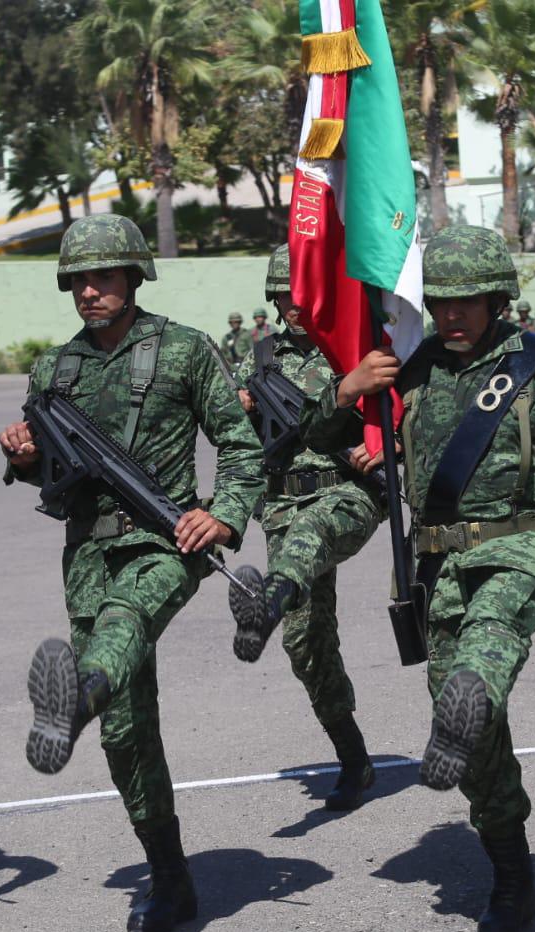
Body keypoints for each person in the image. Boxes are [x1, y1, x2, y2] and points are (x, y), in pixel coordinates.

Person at [304, 225, 535, 932]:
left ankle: (466, 704)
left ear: (497, 298)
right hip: (433, 567)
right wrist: (345, 391)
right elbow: (324, 440)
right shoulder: (409, 368)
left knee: (487, 645)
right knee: (476, 734)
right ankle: (510, 873)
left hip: (520, 547)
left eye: (467, 303)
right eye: (441, 303)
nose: (451, 316)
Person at [0, 215, 265, 932]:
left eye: (104, 278)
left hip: (166, 544)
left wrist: (225, 516)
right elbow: (48, 479)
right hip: (86, 551)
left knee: (124, 623)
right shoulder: (54, 370)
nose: (89, 290)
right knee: (127, 728)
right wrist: (24, 456)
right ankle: (169, 874)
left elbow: (242, 449)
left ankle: (72, 703)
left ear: (134, 277)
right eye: (79, 281)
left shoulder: (184, 351)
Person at [227, 245, 387, 811]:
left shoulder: (353, 346)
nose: (295, 305)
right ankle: (354, 759)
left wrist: (379, 448)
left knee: (313, 530)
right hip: (282, 506)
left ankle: (267, 597)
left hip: (346, 494)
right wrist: (239, 409)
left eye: (303, 294)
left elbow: (401, 410)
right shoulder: (258, 360)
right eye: (285, 296)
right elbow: (238, 444)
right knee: (305, 642)